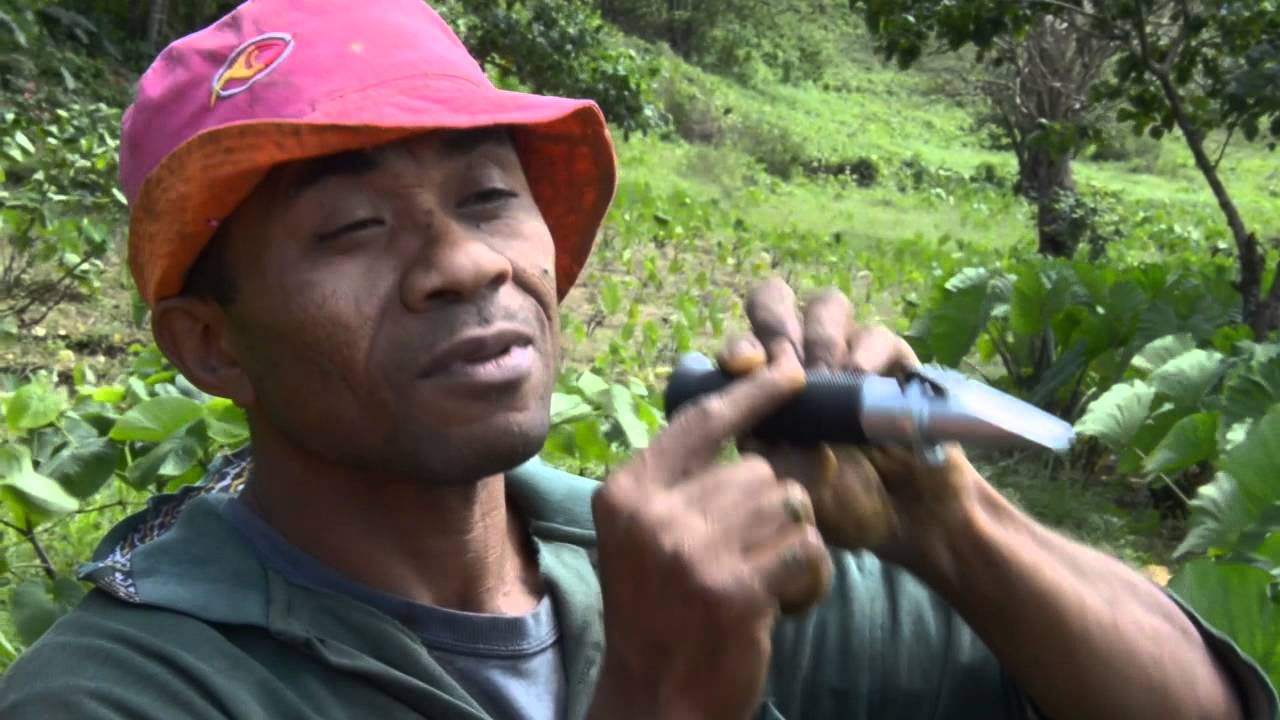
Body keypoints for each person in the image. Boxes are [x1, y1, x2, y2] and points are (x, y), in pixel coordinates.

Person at [0, 1, 1273, 718]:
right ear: (211, 343)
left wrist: (948, 526)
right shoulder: (128, 694)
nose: (465, 265)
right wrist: (662, 690)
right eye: (351, 229)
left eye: (488, 198)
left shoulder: (655, 565)